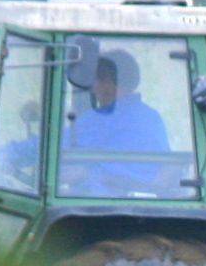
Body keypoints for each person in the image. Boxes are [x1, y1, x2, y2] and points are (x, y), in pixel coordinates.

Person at [62, 47, 180, 196]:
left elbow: (51, 147)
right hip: (146, 206)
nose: (93, 89)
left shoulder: (101, 119)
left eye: (96, 80)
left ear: (108, 83)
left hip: (102, 207)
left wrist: (24, 154)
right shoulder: (153, 117)